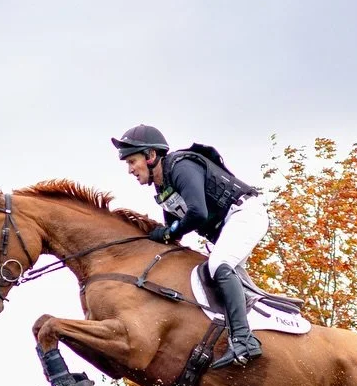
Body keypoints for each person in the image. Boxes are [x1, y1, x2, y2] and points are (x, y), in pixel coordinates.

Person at [112, 124, 268, 370]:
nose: (130, 170)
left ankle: (243, 340)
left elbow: (197, 213)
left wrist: (169, 232)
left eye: (132, 161)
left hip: (245, 214)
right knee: (218, 279)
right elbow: (173, 231)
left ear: (151, 155)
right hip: (228, 226)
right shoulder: (163, 187)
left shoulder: (180, 166)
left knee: (219, 266)